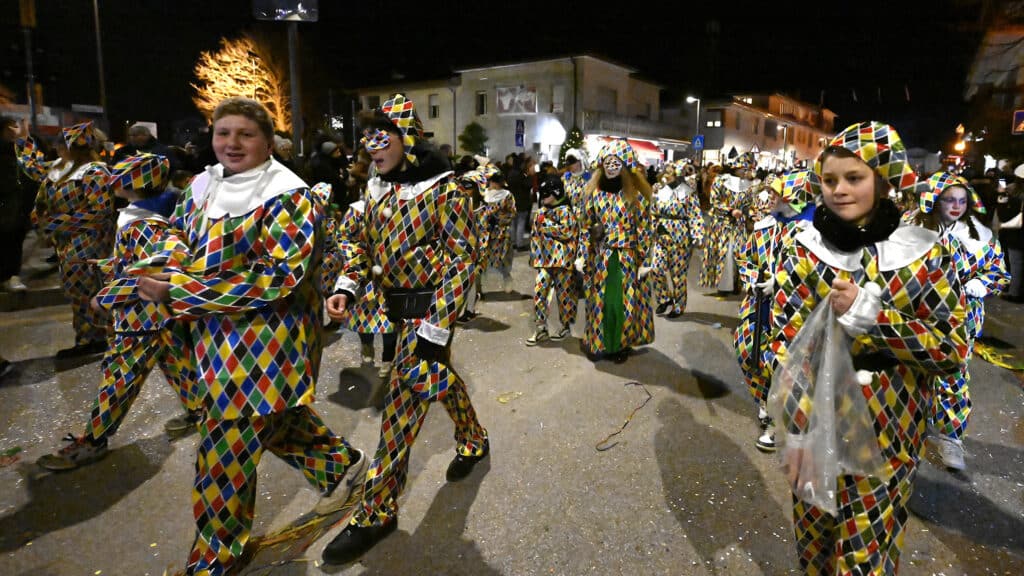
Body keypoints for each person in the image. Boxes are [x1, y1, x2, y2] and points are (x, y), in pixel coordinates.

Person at [135, 97, 367, 576]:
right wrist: (153, 270)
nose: (232, 144)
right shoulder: (203, 183)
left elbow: (280, 277)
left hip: (267, 343)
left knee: (223, 455)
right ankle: (342, 466)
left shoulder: (288, 195)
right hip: (212, 339)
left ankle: (215, 557)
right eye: (223, 133)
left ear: (267, 142)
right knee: (276, 423)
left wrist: (182, 289)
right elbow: (177, 235)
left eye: (245, 134)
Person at [770, 121, 968, 574]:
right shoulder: (802, 249)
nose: (839, 190)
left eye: (853, 178)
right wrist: (792, 425)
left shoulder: (923, 255)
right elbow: (780, 341)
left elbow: (950, 349)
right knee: (814, 545)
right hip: (816, 424)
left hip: (888, 433)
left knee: (866, 555)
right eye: (829, 179)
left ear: (881, 180)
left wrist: (874, 318)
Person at [323, 94, 489, 564]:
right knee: (434, 380)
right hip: (392, 314)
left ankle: (377, 510)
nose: (370, 149)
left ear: (406, 138)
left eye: (381, 138)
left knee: (401, 406)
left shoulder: (445, 190)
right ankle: (474, 438)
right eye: (366, 140)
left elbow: (462, 259)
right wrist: (346, 287)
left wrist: (436, 327)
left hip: (428, 314)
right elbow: (358, 246)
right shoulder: (376, 190)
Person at [36, 153, 201, 472]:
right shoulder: (142, 216)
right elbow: (141, 261)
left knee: (119, 378)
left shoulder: (141, 222)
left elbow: (154, 267)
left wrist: (107, 295)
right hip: (157, 313)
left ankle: (94, 440)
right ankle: (201, 412)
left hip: (138, 315)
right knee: (176, 363)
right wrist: (111, 265)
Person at [913, 172, 1009, 470]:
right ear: (935, 199)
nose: (956, 206)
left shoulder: (980, 237)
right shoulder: (911, 229)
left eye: (962, 200)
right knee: (913, 375)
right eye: (949, 199)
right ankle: (909, 431)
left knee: (954, 376)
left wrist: (984, 283)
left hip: (961, 320)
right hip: (918, 316)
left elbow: (1000, 274)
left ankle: (951, 437)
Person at [16, 119, 115, 357]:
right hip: (68, 240)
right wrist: (23, 139)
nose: (57, 150)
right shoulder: (60, 168)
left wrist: (54, 223)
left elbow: (99, 213)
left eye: (61, 146)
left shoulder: (95, 172)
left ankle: (93, 338)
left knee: (85, 289)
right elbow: (32, 165)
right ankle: (89, 337)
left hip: (90, 241)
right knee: (77, 290)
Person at [733, 169, 816, 452]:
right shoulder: (765, 226)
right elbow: (744, 256)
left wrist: (780, 282)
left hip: (794, 312)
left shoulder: (812, 232)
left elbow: (816, 275)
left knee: (784, 366)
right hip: (759, 303)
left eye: (775, 192)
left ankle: (777, 422)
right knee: (747, 351)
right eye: (769, 192)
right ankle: (764, 404)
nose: (768, 197)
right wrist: (754, 278)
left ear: (791, 196)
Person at [574, 139, 655, 363]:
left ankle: (619, 344)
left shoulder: (636, 195)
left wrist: (645, 260)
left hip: (626, 258)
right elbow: (584, 226)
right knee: (598, 301)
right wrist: (582, 253)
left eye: (615, 162)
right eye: (607, 162)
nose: (611, 166)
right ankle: (599, 341)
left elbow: (644, 229)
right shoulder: (593, 193)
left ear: (625, 165)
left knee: (621, 303)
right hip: (599, 257)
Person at [334, 178, 398, 379]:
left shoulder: (400, 209)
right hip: (365, 275)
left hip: (391, 275)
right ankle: (367, 347)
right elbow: (344, 237)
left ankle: (388, 359)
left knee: (390, 320)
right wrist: (357, 257)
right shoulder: (357, 210)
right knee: (365, 316)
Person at [526, 174, 578, 345]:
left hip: (563, 261)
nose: (543, 198)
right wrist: (534, 256)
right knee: (540, 292)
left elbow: (567, 231)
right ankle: (541, 327)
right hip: (544, 261)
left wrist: (546, 226)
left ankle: (565, 325)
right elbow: (535, 235)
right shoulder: (541, 212)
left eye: (546, 194)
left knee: (564, 295)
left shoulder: (565, 212)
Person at [650, 159, 705, 319]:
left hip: (681, 238)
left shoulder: (688, 193)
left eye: (669, 173)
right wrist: (653, 228)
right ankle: (664, 298)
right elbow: (653, 212)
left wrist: (698, 235)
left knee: (678, 275)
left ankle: (679, 306)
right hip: (661, 235)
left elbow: (695, 215)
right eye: (665, 173)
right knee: (656, 269)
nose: (665, 176)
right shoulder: (660, 191)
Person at [700, 153, 754, 292]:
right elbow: (715, 201)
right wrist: (730, 210)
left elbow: (750, 205)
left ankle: (736, 283)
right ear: (736, 168)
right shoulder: (721, 181)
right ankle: (722, 286)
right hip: (721, 223)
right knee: (724, 253)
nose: (746, 172)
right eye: (744, 169)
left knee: (739, 253)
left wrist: (751, 214)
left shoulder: (749, 186)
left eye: (747, 169)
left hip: (739, 223)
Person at [0, 116, 30, 292]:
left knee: (14, 240)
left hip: (16, 205)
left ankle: (12, 276)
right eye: (11, 127)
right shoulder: (8, 149)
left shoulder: (17, 150)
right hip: (5, 204)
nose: (15, 130)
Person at [475, 171, 516, 295]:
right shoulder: (483, 194)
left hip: (500, 232)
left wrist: (501, 220)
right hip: (484, 232)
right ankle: (478, 288)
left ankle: (507, 279)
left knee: (501, 258)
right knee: (480, 259)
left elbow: (512, 212)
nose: (496, 185)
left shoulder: (507, 195)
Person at [997, 167, 1024, 302]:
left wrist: (1001, 197)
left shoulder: (1012, 195)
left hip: (1015, 235)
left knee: (1016, 264)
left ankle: (1014, 293)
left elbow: (1003, 215)